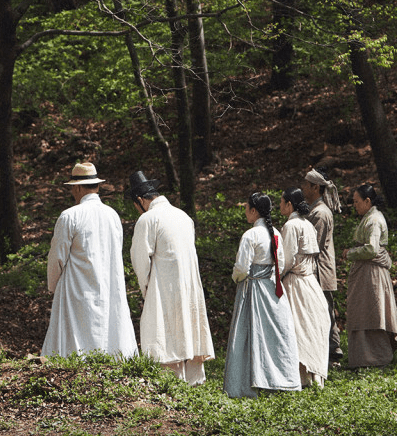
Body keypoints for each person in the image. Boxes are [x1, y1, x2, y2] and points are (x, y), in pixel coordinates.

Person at [41, 162, 138, 358]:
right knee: (108, 334)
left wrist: (53, 286)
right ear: (97, 186)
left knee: (76, 339)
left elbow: (57, 257)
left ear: (76, 188)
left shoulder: (70, 216)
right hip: (108, 285)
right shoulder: (112, 215)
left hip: (77, 288)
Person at [127, 171, 214, 385]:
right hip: (189, 284)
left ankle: (169, 381)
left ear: (140, 200)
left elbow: (140, 260)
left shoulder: (148, 219)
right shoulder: (183, 216)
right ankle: (192, 379)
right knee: (187, 326)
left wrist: (146, 289)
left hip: (163, 285)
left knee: (163, 331)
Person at [223, 192, 301, 398]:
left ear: (254, 210)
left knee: (248, 334)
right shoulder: (275, 232)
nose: (245, 211)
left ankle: (248, 383)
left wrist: (237, 279)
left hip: (253, 290)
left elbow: (241, 267)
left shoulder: (250, 235)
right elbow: (281, 265)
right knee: (274, 335)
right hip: (272, 288)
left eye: (247, 207)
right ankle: (278, 380)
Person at [279, 187, 330, 387]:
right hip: (310, 282)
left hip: (296, 283)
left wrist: (276, 277)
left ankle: (303, 375)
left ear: (289, 204)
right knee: (311, 325)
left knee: (298, 327)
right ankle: (310, 376)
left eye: (282, 202)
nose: (280, 206)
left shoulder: (291, 226)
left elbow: (287, 259)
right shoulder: (308, 224)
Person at [342, 184, 397, 368]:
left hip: (371, 273)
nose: (355, 205)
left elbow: (372, 249)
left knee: (372, 312)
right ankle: (364, 357)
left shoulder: (373, 220)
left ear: (367, 201)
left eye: (357, 202)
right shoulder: (369, 217)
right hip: (366, 272)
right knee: (364, 311)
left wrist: (351, 253)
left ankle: (377, 357)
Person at [301, 167, 343, 361]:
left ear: (315, 187)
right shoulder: (315, 210)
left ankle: (333, 350)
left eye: (305, 184)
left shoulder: (321, 213)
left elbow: (314, 245)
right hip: (317, 269)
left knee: (325, 310)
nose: (302, 188)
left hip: (321, 270)